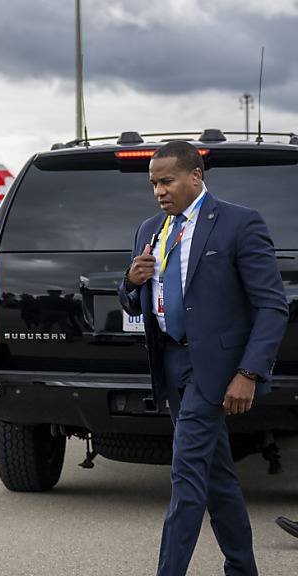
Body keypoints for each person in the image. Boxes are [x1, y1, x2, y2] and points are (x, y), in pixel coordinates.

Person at [118, 141, 287, 576]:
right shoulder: (149, 229)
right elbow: (136, 304)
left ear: (196, 175)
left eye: (167, 180)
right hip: (171, 364)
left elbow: (272, 306)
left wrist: (248, 372)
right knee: (217, 476)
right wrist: (130, 281)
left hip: (214, 369)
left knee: (187, 475)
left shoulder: (238, 223)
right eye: (154, 183)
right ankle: (242, 569)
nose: (159, 191)